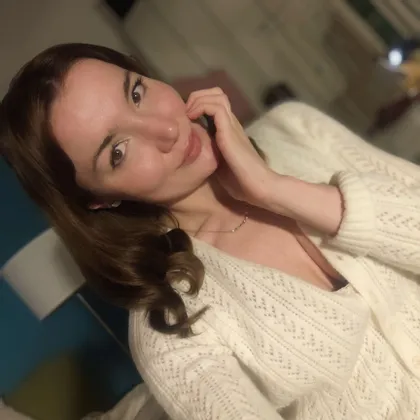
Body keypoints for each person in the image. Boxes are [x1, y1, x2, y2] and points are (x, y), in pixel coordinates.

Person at [1, 43, 420, 420]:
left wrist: (276, 189)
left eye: (136, 93)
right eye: (118, 151)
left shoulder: (295, 128)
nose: (166, 130)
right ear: (100, 200)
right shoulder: (170, 324)